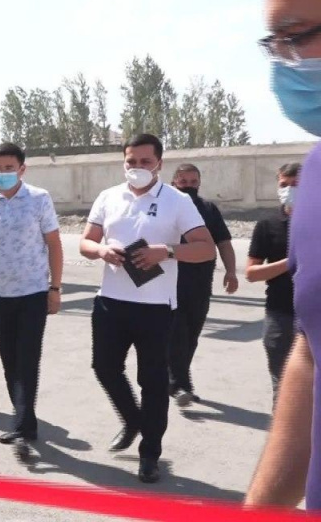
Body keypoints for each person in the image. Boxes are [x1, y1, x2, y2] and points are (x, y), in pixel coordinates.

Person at [80, 133, 215, 484]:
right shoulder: (109, 197)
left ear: (158, 164)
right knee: (104, 367)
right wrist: (101, 251)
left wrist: (166, 251)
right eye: (131, 162)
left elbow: (205, 248)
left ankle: (150, 454)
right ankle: (132, 419)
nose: (137, 168)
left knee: (152, 382)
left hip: (156, 308)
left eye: (144, 162)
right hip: (111, 302)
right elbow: (86, 240)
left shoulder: (178, 200)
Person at [245, 0, 321, 509]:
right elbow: (314, 351)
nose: (285, 61)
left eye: (297, 36)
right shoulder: (317, 174)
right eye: (275, 42)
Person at [0, 142, 63, 458]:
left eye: (8, 167)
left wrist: (55, 288)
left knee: (27, 359)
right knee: (10, 363)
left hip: (33, 294)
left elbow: (54, 244)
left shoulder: (38, 199)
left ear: (22, 169)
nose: (2, 173)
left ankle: (20, 425)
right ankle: (26, 423)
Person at [168, 164, 239, 406]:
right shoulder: (167, 205)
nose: (188, 185)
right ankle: (181, 385)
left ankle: (176, 381)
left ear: (199, 182)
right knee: (177, 334)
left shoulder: (208, 209)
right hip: (168, 283)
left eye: (193, 181)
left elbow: (224, 243)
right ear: (174, 182)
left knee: (192, 336)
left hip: (200, 283)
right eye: (183, 180)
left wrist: (231, 271)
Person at [246, 163, 299, 400]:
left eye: (296, 185)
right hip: (280, 315)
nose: (289, 190)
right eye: (284, 185)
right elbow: (252, 273)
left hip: (314, 315)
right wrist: (290, 263)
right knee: (283, 385)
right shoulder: (267, 225)